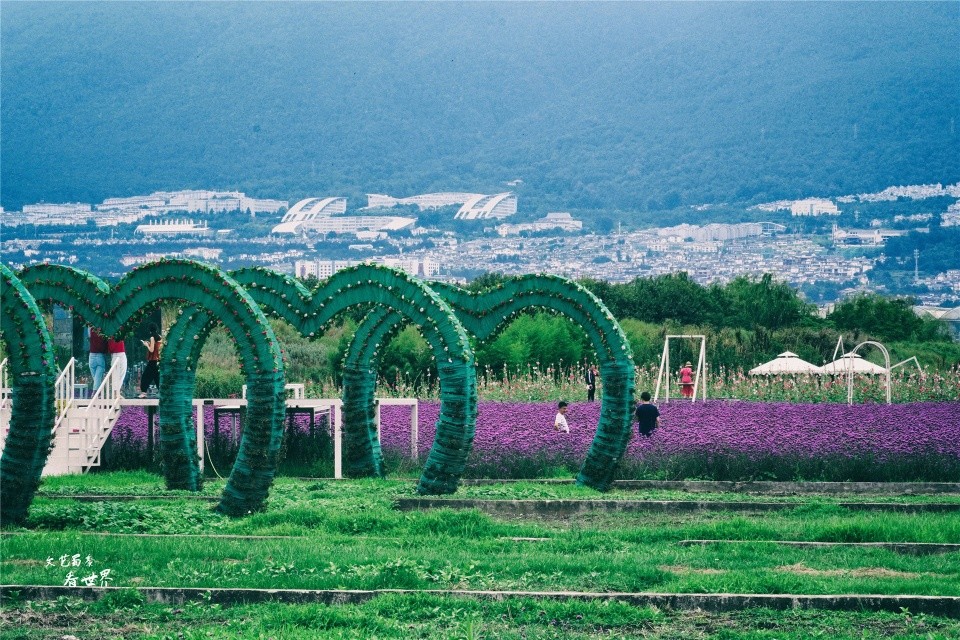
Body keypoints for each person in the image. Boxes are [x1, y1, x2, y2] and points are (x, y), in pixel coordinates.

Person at [139, 323, 162, 397]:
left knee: (145, 376)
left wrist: (146, 345)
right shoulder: (160, 337)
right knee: (156, 377)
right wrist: (149, 344)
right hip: (158, 360)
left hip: (153, 360)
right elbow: (156, 348)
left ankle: (143, 392)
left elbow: (151, 350)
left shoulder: (152, 337)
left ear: (150, 330)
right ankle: (162, 392)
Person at [88, 327, 108, 391]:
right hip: (100, 355)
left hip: (91, 355)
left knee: (96, 378)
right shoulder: (104, 332)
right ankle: (95, 392)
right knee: (97, 378)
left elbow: (89, 337)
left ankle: (98, 392)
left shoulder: (91, 330)